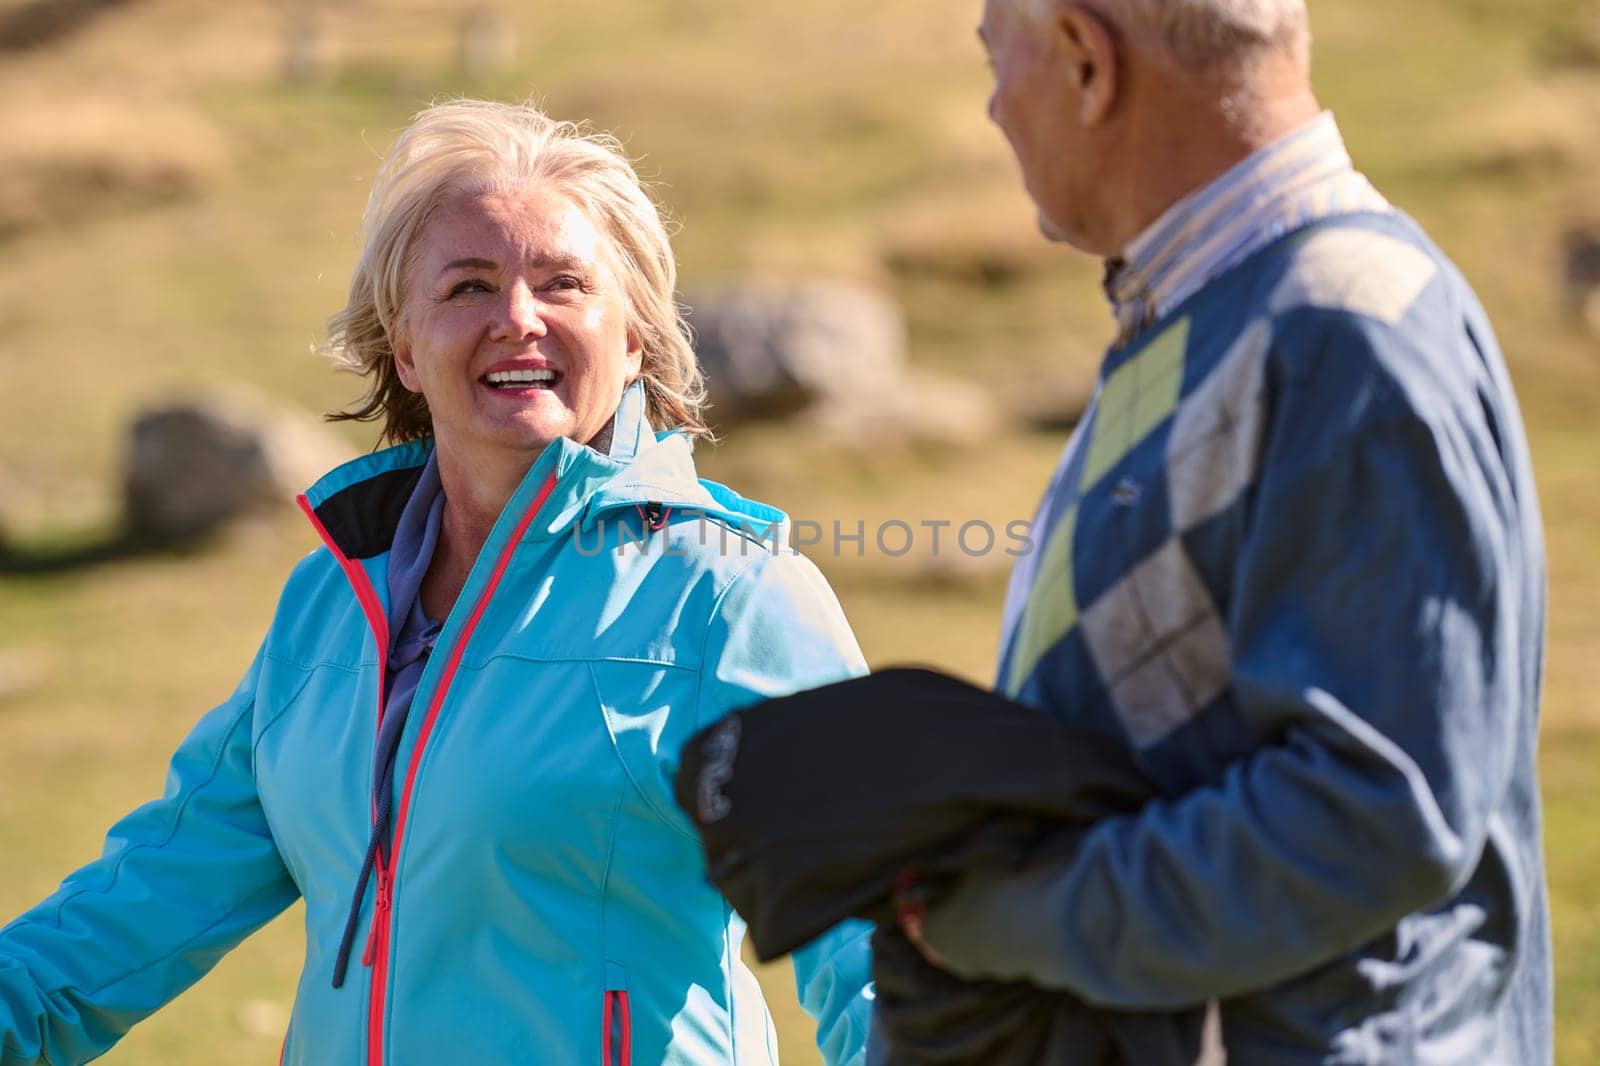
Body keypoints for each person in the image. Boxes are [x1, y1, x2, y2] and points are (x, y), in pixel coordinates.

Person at [0, 100, 875, 1066]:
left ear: (633, 341)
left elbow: (875, 936)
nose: (517, 320)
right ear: (405, 347)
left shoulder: (728, 597)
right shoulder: (331, 608)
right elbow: (143, 903)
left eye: (564, 283)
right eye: (469, 286)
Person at [891, 1, 1550, 1063]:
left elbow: (1374, 812)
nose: (992, 107)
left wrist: (996, 917)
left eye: (993, 59)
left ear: (1083, 60)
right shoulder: (1222, 310)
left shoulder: (1338, 331)